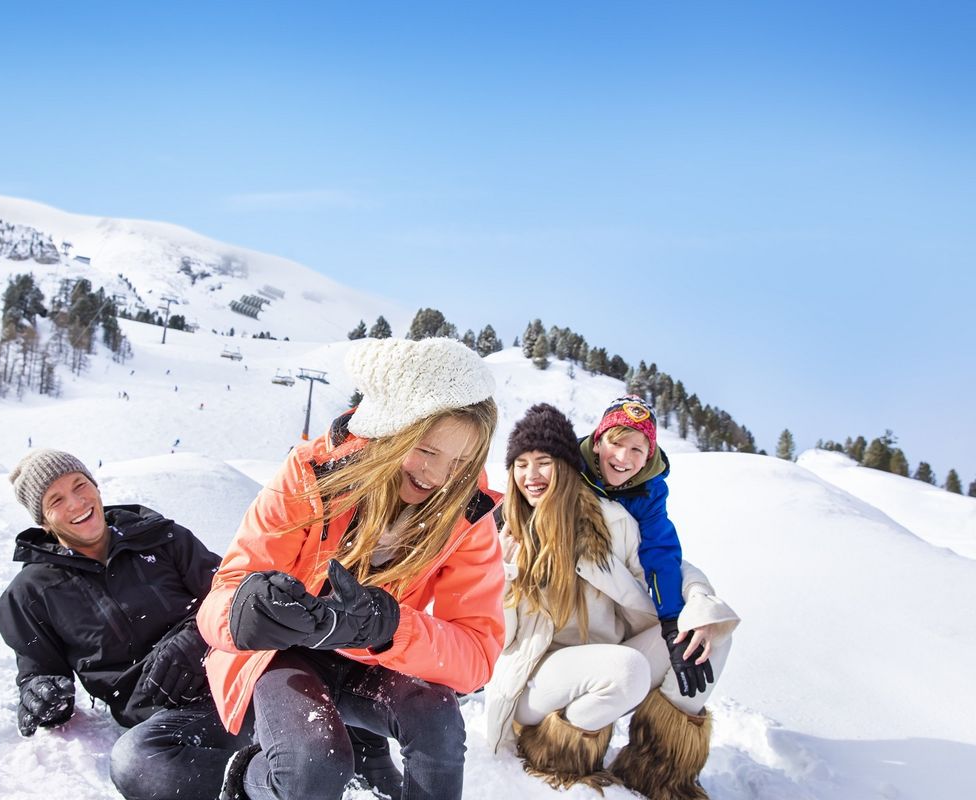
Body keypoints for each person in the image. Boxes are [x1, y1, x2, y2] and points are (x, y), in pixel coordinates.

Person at [198, 337, 506, 800]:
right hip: (287, 654)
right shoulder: (310, 473)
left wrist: (392, 627)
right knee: (313, 767)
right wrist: (245, 612)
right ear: (392, 428)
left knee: (438, 723)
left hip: (374, 658)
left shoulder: (465, 513)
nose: (438, 477)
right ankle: (247, 782)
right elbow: (223, 596)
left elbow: (477, 654)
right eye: (426, 450)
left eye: (459, 462)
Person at [485, 404, 739, 800]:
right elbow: (495, 637)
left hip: (604, 661)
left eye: (543, 463)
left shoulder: (612, 521)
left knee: (708, 633)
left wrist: (697, 608)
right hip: (538, 678)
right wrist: (507, 572)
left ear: (567, 467)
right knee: (627, 669)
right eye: (520, 464)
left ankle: (659, 772)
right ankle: (556, 755)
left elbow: (669, 564)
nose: (531, 476)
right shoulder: (508, 535)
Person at [0, 449, 252, 800]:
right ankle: (272, 778)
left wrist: (196, 638)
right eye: (56, 499)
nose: (76, 502)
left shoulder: (162, 538)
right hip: (172, 718)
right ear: (44, 521)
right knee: (136, 764)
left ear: (96, 488)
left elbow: (232, 595)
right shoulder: (29, 593)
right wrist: (42, 695)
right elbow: (38, 670)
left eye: (80, 485)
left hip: (237, 682)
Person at [580, 395, 686, 623]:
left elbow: (660, 551)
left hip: (613, 596)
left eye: (636, 449)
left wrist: (671, 620)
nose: (622, 457)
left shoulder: (650, 491)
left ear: (648, 457)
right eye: (616, 443)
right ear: (597, 443)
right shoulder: (569, 465)